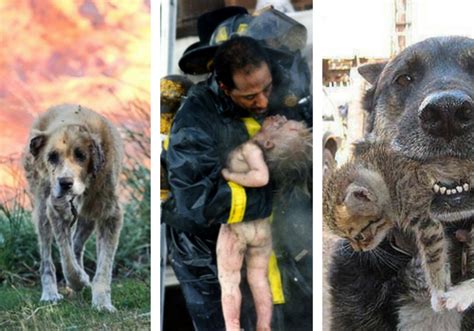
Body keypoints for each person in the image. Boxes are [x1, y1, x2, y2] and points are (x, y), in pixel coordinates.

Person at [162, 35, 312, 330]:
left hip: (274, 250)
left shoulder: (279, 94)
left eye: (266, 88)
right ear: (224, 87)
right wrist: (269, 192)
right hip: (208, 258)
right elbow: (197, 199)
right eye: (249, 96)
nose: (263, 102)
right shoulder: (195, 119)